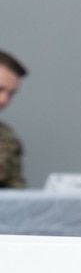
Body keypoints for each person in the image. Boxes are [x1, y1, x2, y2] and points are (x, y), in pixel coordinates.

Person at [0, 51, 26, 189]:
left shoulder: (6, 136)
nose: (4, 100)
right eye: (0, 89)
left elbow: (16, 191)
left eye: (11, 93)